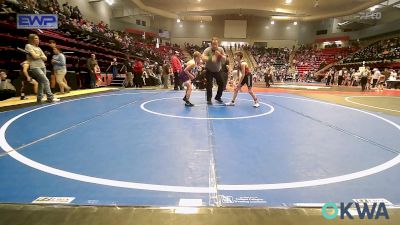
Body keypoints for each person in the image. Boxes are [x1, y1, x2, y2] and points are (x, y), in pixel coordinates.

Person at [25, 34, 59, 103]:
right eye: (36, 38)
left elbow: (45, 58)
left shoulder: (39, 48)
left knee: (41, 82)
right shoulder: (28, 46)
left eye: (38, 38)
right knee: (46, 81)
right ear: (31, 39)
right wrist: (40, 55)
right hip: (35, 67)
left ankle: (39, 98)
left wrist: (38, 55)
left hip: (43, 66)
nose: (38, 40)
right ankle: (50, 97)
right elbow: (34, 57)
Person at [202, 37, 226, 105]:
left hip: (218, 70)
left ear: (218, 44)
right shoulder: (207, 50)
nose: (215, 46)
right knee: (209, 85)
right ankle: (209, 99)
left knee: (221, 84)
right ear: (211, 44)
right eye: (213, 44)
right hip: (209, 70)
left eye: (216, 44)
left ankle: (218, 97)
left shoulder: (221, 49)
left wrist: (220, 55)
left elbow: (224, 60)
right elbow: (203, 58)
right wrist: (211, 58)